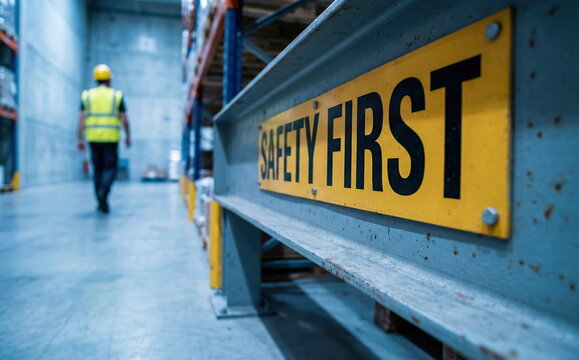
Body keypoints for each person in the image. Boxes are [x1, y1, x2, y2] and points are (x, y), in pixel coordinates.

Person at [77, 64, 131, 213]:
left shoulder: (87, 96)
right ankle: (104, 192)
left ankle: (100, 200)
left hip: (93, 138)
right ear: (109, 79)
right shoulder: (116, 95)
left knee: (98, 169)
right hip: (111, 138)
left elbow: (81, 119)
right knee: (110, 168)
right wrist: (128, 136)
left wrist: (79, 138)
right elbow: (124, 119)